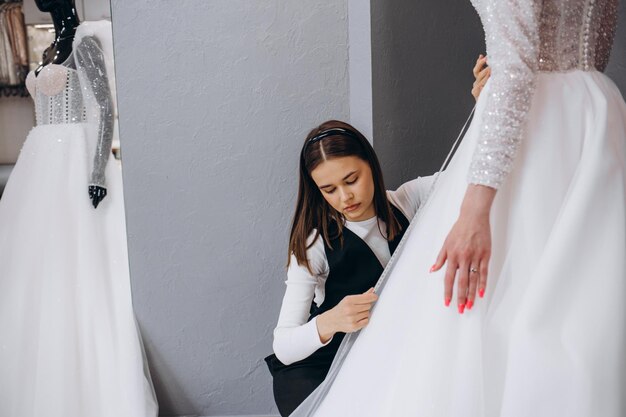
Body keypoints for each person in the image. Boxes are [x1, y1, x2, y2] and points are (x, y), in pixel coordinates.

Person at [291, 0, 626, 416]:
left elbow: (518, 67)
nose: (345, 196)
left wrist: (474, 211)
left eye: (352, 179)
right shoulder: (312, 246)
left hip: (537, 130)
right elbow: (592, 46)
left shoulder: (404, 199)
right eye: (330, 188)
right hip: (595, 120)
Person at [0, 3, 158, 416]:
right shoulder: (49, 50)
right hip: (39, 162)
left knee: (79, 262)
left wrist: (97, 172)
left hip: (76, 161)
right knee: (36, 267)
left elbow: (103, 108)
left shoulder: (84, 42)